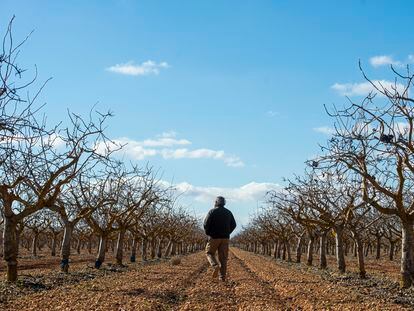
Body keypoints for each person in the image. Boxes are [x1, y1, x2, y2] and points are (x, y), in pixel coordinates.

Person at [203, 196, 237, 281]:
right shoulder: (228, 212)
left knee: (209, 253)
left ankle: (215, 266)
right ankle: (222, 277)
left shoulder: (212, 211)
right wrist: (227, 232)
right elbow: (234, 225)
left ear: (216, 202)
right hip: (225, 238)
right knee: (223, 258)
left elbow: (205, 224)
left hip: (214, 237)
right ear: (224, 203)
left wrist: (208, 233)